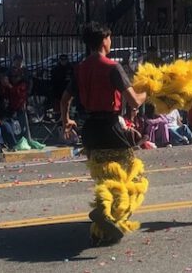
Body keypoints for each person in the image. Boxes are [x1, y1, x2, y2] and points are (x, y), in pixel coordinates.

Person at [60, 23, 148, 246]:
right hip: (111, 129)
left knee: (104, 178)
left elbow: (64, 99)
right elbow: (135, 101)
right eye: (110, 38)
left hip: (90, 129)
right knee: (131, 177)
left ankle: (101, 225)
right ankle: (105, 215)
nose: (111, 42)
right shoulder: (112, 67)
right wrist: (149, 90)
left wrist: (66, 121)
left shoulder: (80, 68)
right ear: (103, 41)